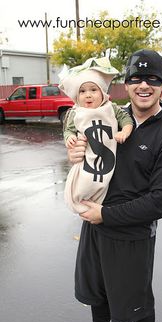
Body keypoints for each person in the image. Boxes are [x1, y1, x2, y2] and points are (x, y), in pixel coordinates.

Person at [66, 49, 162, 322]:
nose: (143, 85)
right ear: (126, 85)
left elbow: (160, 202)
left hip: (131, 235)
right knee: (97, 291)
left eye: (151, 79)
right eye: (136, 79)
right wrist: (74, 155)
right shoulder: (107, 117)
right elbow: (87, 155)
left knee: (138, 304)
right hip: (95, 226)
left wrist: (105, 214)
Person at [59, 57, 133, 213]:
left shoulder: (111, 108)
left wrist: (124, 131)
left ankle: (98, 204)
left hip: (107, 158)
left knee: (103, 180)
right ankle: (82, 201)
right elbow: (69, 130)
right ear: (77, 96)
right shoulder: (76, 113)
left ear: (103, 93)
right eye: (82, 91)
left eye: (93, 90)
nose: (88, 95)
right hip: (88, 158)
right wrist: (69, 138)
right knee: (86, 181)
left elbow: (126, 119)